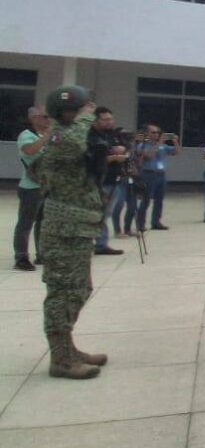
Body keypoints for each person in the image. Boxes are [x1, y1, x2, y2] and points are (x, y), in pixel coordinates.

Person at [36, 86, 109, 379]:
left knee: (79, 289)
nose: (86, 115)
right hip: (63, 230)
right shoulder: (58, 137)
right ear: (65, 112)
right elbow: (72, 145)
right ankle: (61, 360)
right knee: (63, 293)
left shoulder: (70, 136)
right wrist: (85, 117)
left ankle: (67, 349)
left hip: (77, 228)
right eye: (79, 110)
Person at [13, 106, 51, 271]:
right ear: (34, 118)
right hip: (30, 187)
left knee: (43, 222)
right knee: (26, 222)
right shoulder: (26, 135)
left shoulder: (47, 136)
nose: (48, 119)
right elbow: (29, 150)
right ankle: (21, 256)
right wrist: (48, 136)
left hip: (46, 185)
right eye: (44, 116)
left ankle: (41, 254)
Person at [87, 108, 125, 255]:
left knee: (105, 213)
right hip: (98, 180)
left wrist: (121, 150)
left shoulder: (111, 135)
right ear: (96, 120)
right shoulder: (91, 136)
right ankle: (89, 242)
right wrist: (114, 158)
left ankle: (101, 243)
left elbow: (117, 148)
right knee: (94, 213)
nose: (110, 122)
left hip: (113, 178)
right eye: (106, 119)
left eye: (111, 119)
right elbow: (93, 161)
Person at [135, 124, 179, 231]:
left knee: (159, 199)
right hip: (149, 173)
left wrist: (175, 141)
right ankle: (140, 224)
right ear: (147, 134)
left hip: (161, 174)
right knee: (146, 199)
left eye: (158, 133)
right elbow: (149, 156)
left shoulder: (163, 146)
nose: (156, 135)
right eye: (153, 132)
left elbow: (175, 152)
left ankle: (156, 221)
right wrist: (159, 143)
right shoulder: (143, 145)